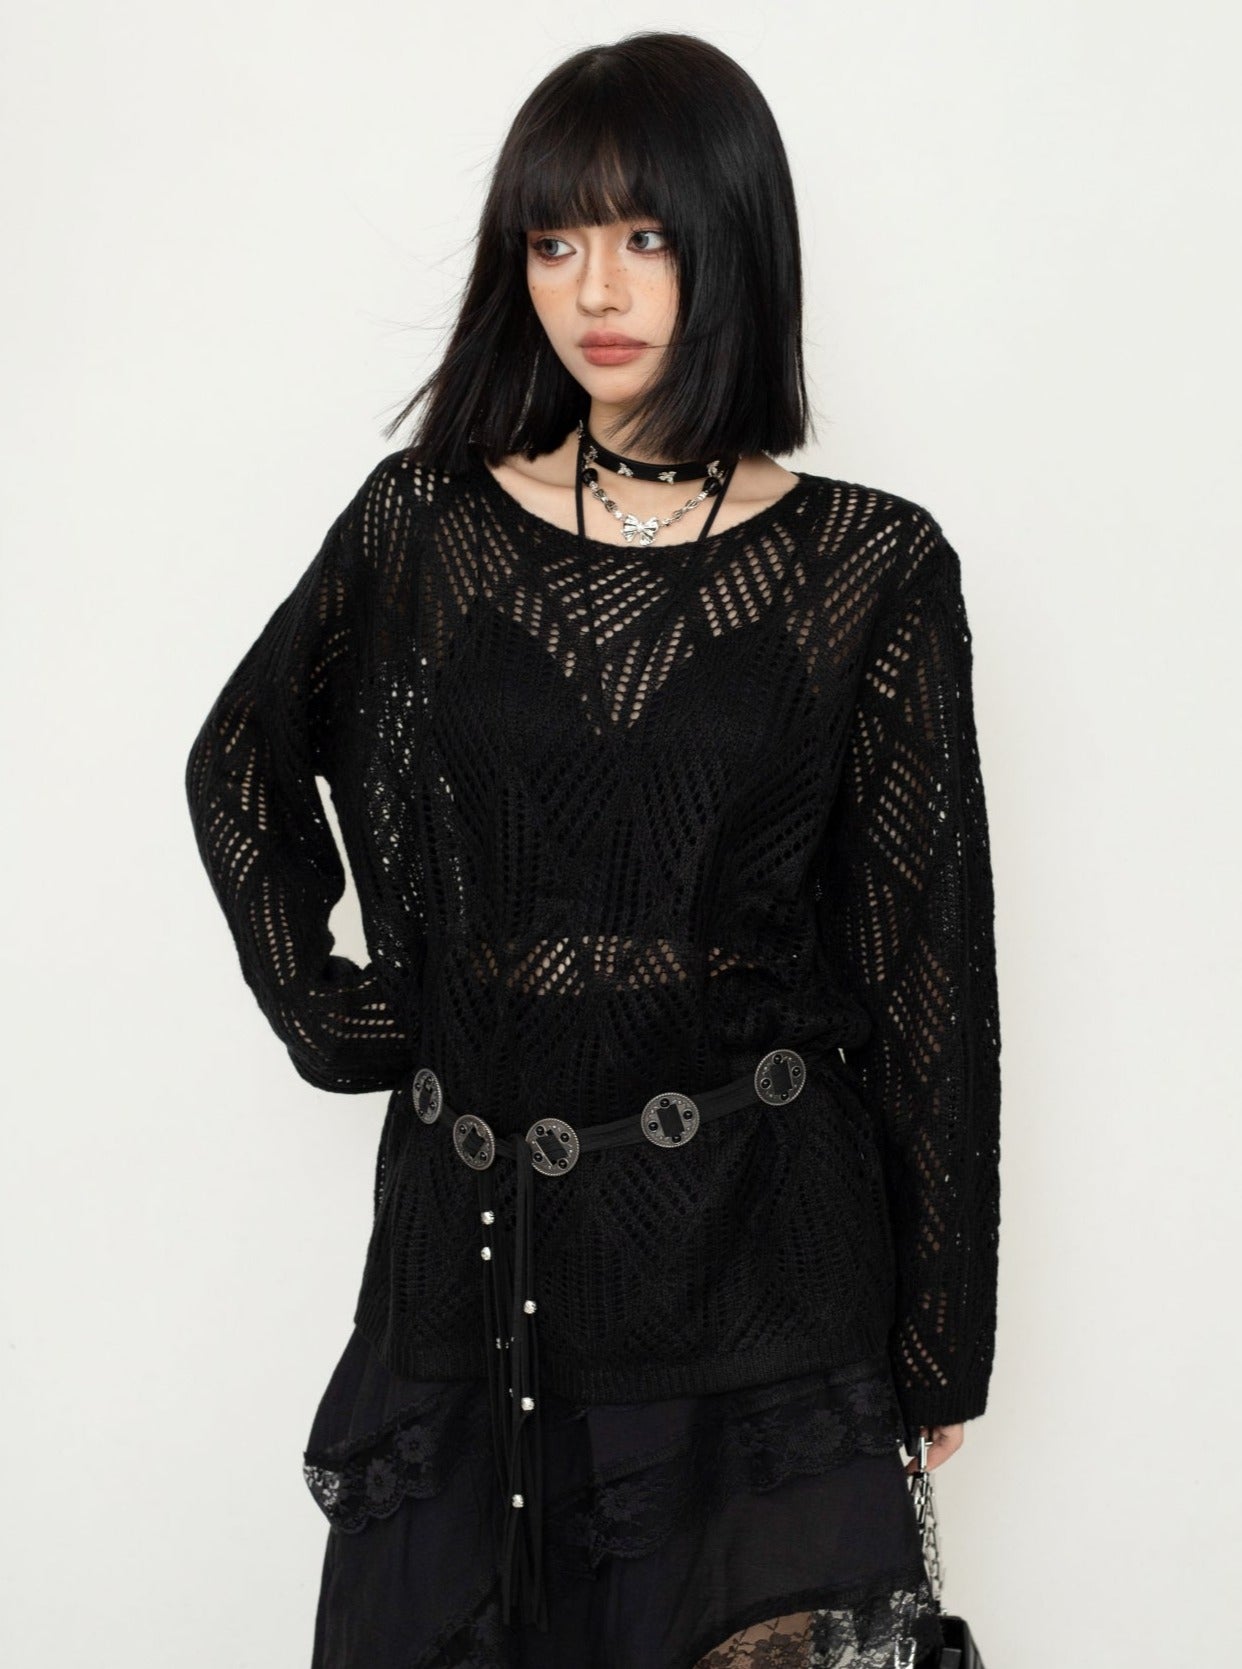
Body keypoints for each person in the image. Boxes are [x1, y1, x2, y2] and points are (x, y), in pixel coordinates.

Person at [184, 29, 1002, 1669]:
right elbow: (240, 763)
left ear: (732, 243)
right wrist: (339, 1013)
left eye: (643, 235)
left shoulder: (871, 566)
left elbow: (927, 961)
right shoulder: (422, 526)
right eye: (552, 242)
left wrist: (938, 1332)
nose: (595, 289)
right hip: (479, 1266)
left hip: (761, 1268)